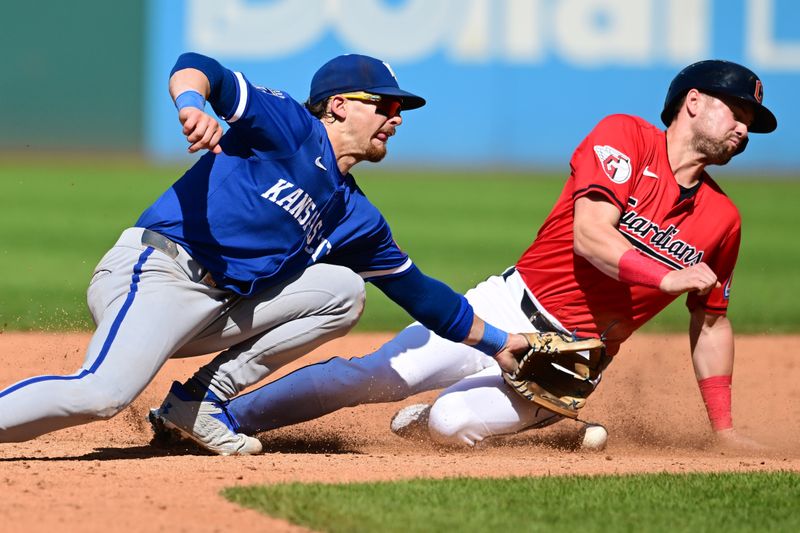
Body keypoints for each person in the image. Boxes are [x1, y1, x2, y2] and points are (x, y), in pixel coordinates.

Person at [212, 59, 777, 449]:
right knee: (368, 376)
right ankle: (225, 415)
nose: (744, 129)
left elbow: (711, 323)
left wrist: (722, 429)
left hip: (571, 361)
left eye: (751, 123)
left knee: (451, 423)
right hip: (505, 309)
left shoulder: (722, 219)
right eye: (737, 112)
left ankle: (545, 425)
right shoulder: (625, 136)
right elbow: (592, 237)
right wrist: (662, 278)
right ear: (694, 103)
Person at [0, 53, 532, 454]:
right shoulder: (290, 128)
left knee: (344, 291)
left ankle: (198, 403)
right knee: (102, 394)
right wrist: (192, 105)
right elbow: (196, 67)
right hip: (161, 270)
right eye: (387, 105)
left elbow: (421, 295)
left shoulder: (356, 216)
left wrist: (504, 344)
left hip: (214, 307)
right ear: (340, 105)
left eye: (401, 109)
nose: (397, 117)